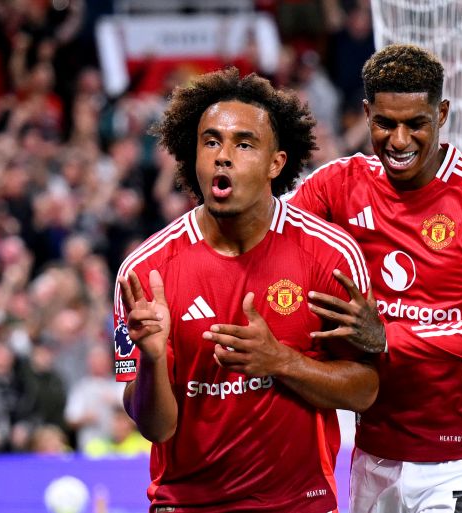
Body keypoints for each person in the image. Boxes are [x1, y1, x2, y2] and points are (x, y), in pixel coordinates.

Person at [113, 67, 381, 512]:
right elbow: (157, 429)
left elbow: (365, 391)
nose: (223, 156)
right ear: (192, 153)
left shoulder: (330, 255)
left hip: (300, 505)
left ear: (276, 163)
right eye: (211, 141)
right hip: (186, 505)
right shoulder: (145, 270)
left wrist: (281, 362)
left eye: (243, 144)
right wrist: (154, 360)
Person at [285, 44, 462, 513]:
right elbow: (272, 246)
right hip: (373, 454)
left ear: (441, 113)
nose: (399, 141)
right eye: (385, 123)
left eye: (416, 123)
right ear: (366, 114)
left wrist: (388, 337)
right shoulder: (337, 186)